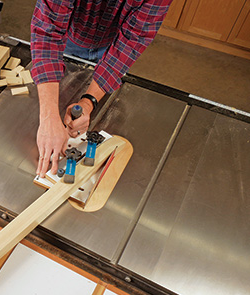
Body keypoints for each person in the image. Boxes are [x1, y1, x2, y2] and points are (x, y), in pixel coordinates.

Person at [30, 0, 172, 177]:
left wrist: (89, 101)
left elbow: (132, 39)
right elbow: (48, 31)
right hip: (72, 35)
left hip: (114, 43)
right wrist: (49, 116)